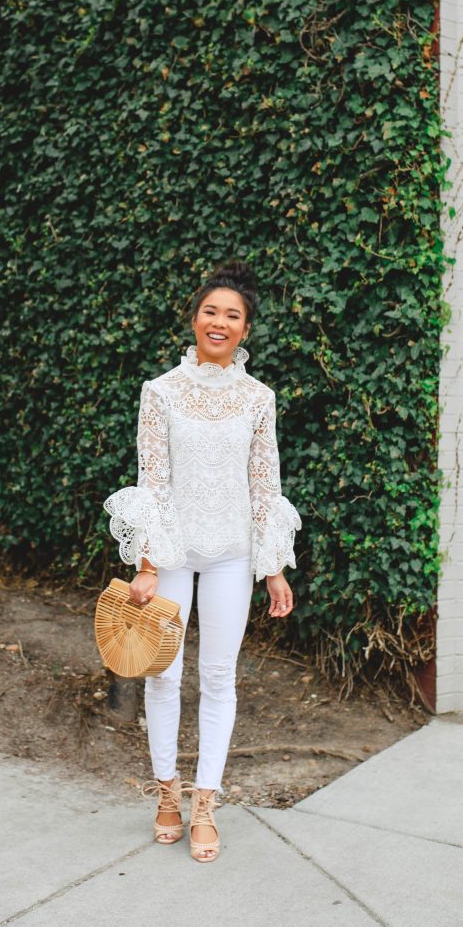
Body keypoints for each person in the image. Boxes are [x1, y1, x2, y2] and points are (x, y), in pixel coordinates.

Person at [103, 260, 301, 862]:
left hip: (231, 558)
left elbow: (265, 487)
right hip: (171, 554)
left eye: (232, 315)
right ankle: (166, 794)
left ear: (246, 330)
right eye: (210, 311)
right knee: (164, 674)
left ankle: (205, 803)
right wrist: (145, 563)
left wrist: (273, 568)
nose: (219, 322)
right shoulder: (159, 392)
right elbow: (152, 483)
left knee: (218, 677)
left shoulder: (259, 399)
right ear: (194, 320)